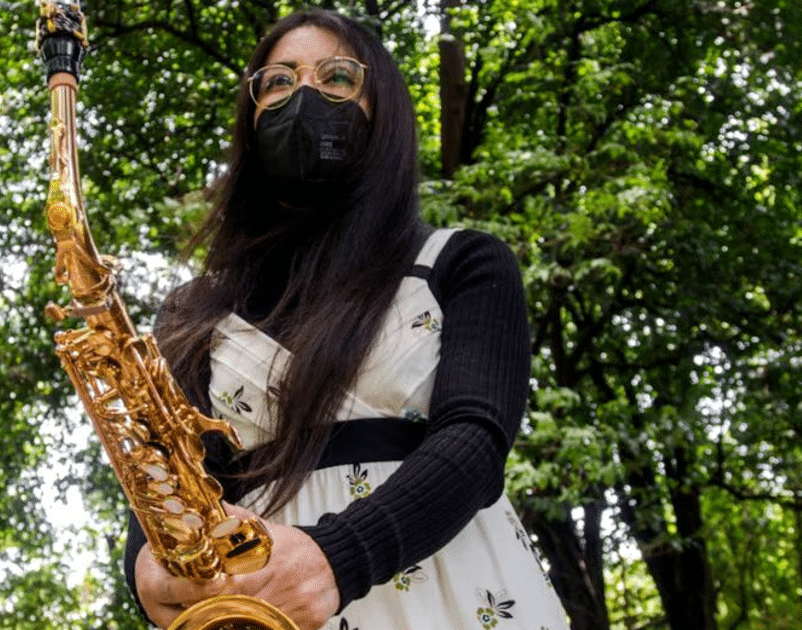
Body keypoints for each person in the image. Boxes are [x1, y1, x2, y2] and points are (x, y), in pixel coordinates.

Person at [124, 8, 571, 630]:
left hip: (458, 597)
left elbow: (474, 442)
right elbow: (168, 487)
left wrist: (337, 559)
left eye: (337, 77)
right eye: (277, 81)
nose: (303, 94)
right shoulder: (195, 311)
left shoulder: (463, 261)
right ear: (250, 124)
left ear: (383, 114)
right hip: (263, 603)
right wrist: (144, 566)